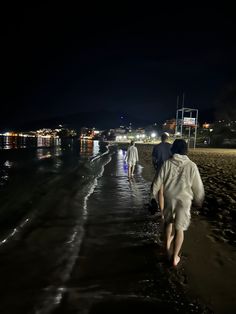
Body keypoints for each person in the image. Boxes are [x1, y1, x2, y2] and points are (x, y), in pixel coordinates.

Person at [152, 139, 204, 267]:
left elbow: (157, 183)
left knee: (168, 222)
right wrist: (199, 199)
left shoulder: (167, 164)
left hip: (169, 199)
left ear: (173, 149)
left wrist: (152, 197)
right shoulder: (192, 165)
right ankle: (175, 258)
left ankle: (166, 248)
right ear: (186, 150)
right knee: (180, 229)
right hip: (184, 200)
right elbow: (198, 187)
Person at [151, 133, 172, 216]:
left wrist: (156, 167)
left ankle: (162, 213)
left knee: (161, 191)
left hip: (160, 170)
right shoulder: (171, 146)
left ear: (161, 138)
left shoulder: (156, 147)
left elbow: (153, 160)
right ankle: (169, 209)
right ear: (167, 138)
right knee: (170, 190)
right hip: (170, 171)